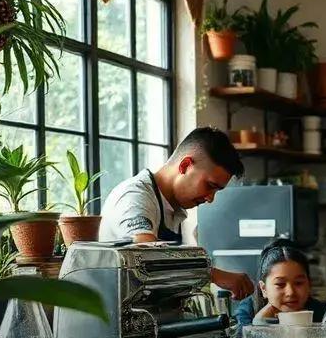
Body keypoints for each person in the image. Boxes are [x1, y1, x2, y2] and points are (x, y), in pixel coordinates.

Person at [98, 126, 254, 299]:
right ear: (185, 165)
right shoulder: (135, 197)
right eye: (210, 186)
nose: (211, 199)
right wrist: (214, 274)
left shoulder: (170, 206)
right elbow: (146, 254)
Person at [233, 239, 326, 326]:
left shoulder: (324, 315)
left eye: (298, 283)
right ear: (264, 288)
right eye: (280, 284)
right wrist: (260, 323)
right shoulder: (248, 311)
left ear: (309, 284)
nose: (290, 292)